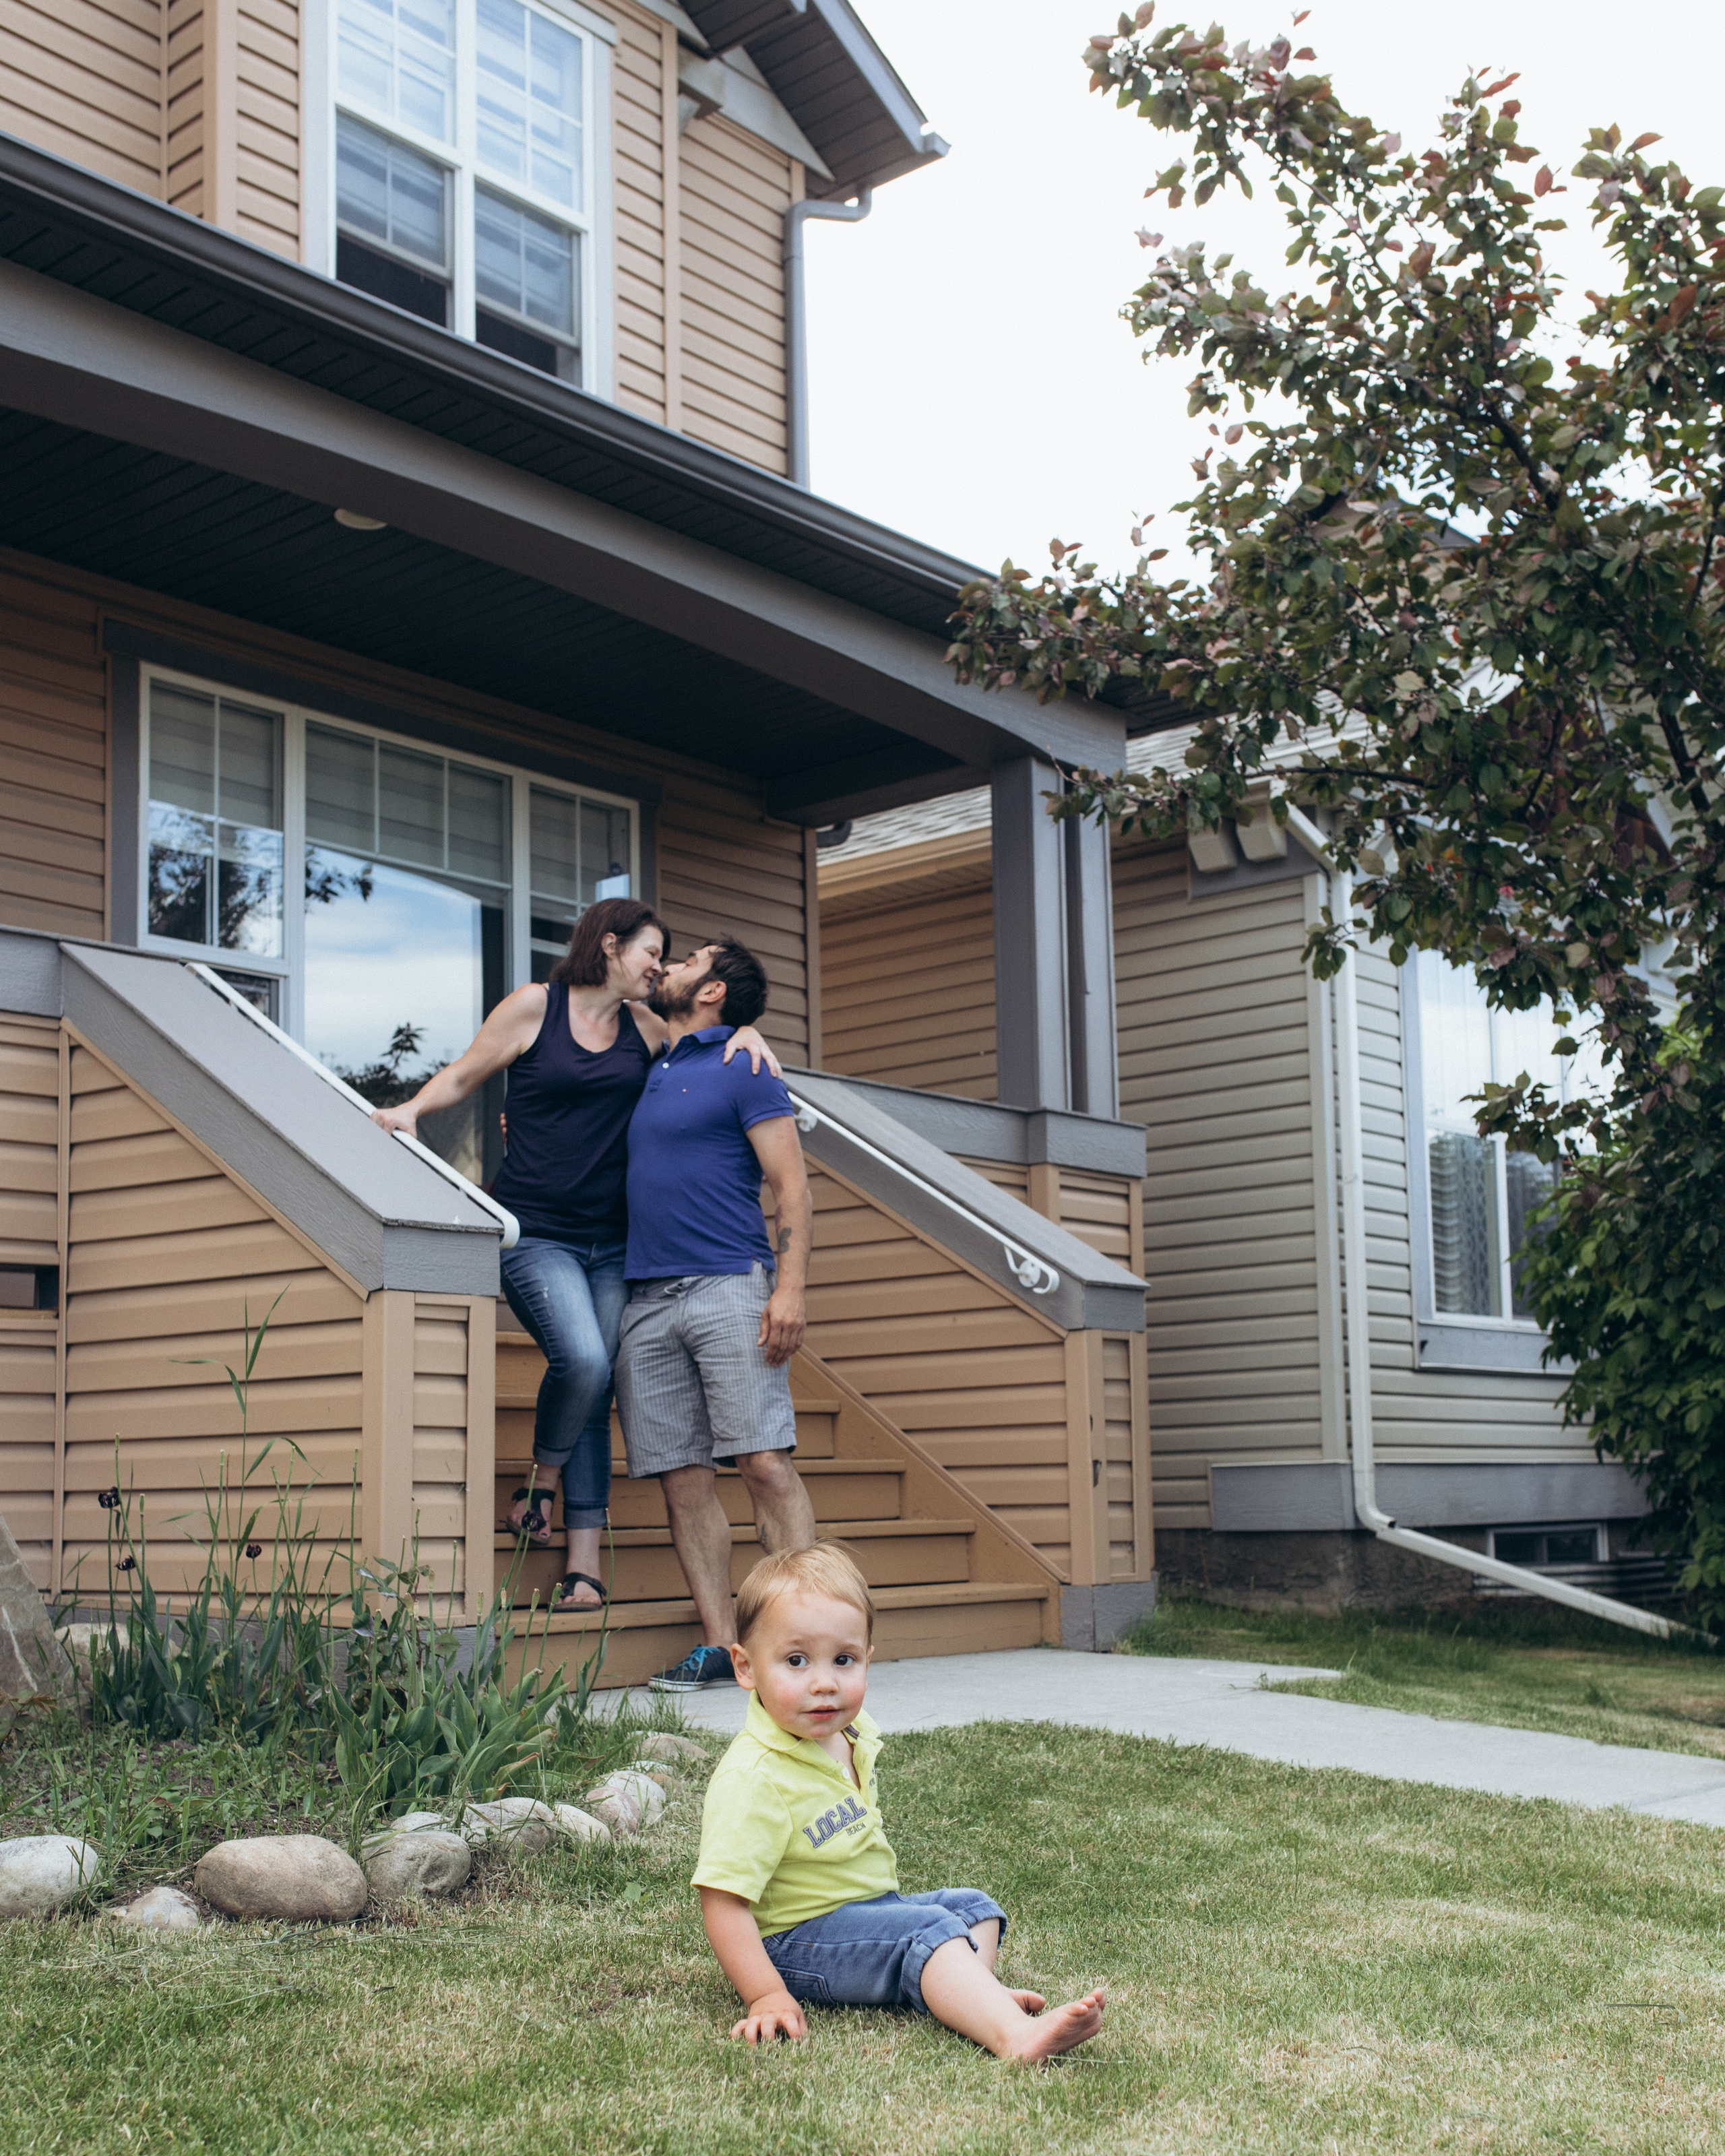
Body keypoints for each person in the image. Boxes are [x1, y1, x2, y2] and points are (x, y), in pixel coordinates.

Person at [369, 898, 779, 1610]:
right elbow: (466, 1073)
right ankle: (543, 1476)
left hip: (619, 1239)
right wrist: (410, 1111)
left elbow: (703, 1038)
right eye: (653, 951)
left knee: (603, 1378)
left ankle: (583, 1566)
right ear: (612, 945)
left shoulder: (647, 1025)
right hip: (538, 1231)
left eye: (670, 958)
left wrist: (749, 1029)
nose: (660, 966)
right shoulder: (536, 1006)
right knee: (583, 1358)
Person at [693, 1544, 1108, 2060]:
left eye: (843, 1660)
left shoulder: (849, 1734)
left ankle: (968, 1998)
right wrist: (766, 1992)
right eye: (796, 1661)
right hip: (797, 1944)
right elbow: (723, 1902)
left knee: (974, 1908)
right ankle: (1014, 2035)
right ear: (746, 1667)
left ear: (868, 1658)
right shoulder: (754, 1775)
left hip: (868, 1911)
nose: (824, 1683)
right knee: (928, 1930)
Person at [612, 934, 818, 1691]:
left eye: (691, 957)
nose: (669, 962)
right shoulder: (653, 1055)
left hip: (729, 1282)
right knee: (682, 1480)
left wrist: (788, 1288)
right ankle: (722, 1647)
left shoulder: (746, 1067)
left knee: (762, 1459)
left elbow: (791, 1187)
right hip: (646, 1296)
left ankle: (800, 1642)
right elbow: (593, 994)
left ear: (715, 991)